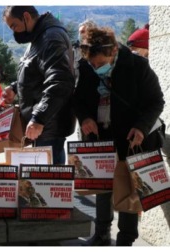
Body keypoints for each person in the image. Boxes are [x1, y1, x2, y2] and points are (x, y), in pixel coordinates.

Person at [73, 26, 164, 246]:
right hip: (101, 137)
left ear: (113, 51)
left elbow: (156, 101)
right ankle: (102, 233)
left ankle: (126, 239)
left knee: (129, 188)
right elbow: (78, 99)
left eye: (100, 64)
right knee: (102, 186)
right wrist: (85, 117)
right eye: (93, 64)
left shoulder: (137, 66)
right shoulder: (86, 66)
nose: (96, 68)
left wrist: (142, 127)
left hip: (131, 138)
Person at [1, 6, 75, 165]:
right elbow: (37, 73)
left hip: (48, 126)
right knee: (43, 181)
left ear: (26, 17)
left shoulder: (50, 38)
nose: (14, 32)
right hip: (43, 126)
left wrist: (39, 118)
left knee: (48, 182)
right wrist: (14, 88)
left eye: (14, 25)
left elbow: (60, 81)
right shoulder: (39, 38)